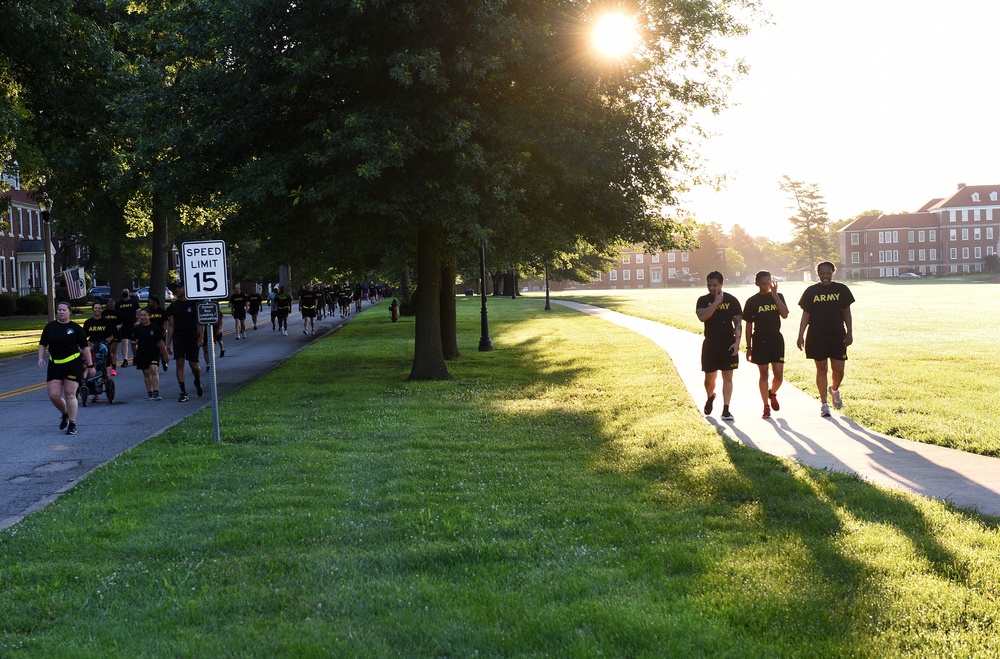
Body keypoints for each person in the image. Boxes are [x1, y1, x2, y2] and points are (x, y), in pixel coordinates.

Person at [797, 261, 856, 417]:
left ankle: (834, 390)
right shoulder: (811, 291)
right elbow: (805, 315)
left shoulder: (841, 290)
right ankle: (824, 404)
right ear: (818, 274)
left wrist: (849, 332)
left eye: (828, 273)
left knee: (839, 370)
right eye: (822, 273)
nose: (825, 276)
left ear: (833, 272)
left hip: (837, 334)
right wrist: (800, 335)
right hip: (817, 335)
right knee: (821, 368)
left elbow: (847, 313)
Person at [38, 301, 95, 435]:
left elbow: (85, 348)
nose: (61, 312)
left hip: (72, 363)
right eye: (59, 310)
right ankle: (65, 413)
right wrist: (40, 358)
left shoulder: (76, 328)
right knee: (54, 395)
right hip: (55, 363)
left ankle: (72, 423)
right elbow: (42, 344)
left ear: (70, 312)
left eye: (64, 310)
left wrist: (90, 365)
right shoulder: (50, 327)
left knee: (70, 394)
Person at [695, 271, 742, 421]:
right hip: (710, 343)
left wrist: (737, 342)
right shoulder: (703, 300)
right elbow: (702, 317)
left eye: (715, 285)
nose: (711, 288)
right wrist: (716, 302)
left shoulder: (732, 300)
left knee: (727, 376)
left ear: (721, 284)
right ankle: (710, 397)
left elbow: (738, 323)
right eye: (709, 285)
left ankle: (726, 409)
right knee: (709, 379)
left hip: (728, 343)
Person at [743, 271, 789, 419]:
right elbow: (748, 326)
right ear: (757, 283)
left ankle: (772, 393)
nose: (767, 286)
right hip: (760, 340)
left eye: (769, 282)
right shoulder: (752, 301)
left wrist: (775, 295)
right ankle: (765, 406)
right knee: (764, 374)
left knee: (779, 376)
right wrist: (748, 347)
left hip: (776, 339)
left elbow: (785, 314)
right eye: (764, 283)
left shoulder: (778, 296)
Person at [166, 283, 205, 402]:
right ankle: (183, 392)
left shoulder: (194, 304)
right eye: (177, 288)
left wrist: (201, 337)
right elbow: (171, 325)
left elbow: (200, 322)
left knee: (194, 365)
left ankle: (197, 380)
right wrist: (168, 343)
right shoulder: (173, 306)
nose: (178, 290)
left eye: (180, 288)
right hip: (179, 338)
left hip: (192, 337)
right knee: (180, 362)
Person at [130, 308, 170, 400]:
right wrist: (134, 344)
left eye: (145, 315)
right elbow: (134, 340)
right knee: (146, 372)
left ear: (149, 316)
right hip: (142, 353)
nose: (143, 317)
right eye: (141, 315)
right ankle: (150, 392)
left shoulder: (154, 327)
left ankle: (156, 392)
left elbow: (160, 342)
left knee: (153, 369)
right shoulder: (138, 328)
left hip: (153, 352)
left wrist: (165, 355)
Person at [83, 301, 116, 403]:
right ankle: (93, 392)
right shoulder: (88, 322)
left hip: (103, 347)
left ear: (101, 309)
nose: (97, 310)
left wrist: (108, 340)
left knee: (103, 370)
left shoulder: (106, 322)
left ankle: (107, 383)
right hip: (92, 347)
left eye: (99, 308)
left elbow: (112, 335)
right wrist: (86, 343)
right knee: (90, 366)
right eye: (95, 308)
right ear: (93, 310)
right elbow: (84, 336)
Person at [116, 288, 140, 367]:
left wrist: (138, 321)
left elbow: (138, 312)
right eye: (123, 292)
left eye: (126, 292)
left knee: (133, 343)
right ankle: (125, 360)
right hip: (123, 325)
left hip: (132, 325)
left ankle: (135, 358)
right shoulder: (119, 303)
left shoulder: (134, 302)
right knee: (124, 342)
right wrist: (118, 323)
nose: (125, 293)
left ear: (129, 293)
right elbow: (116, 315)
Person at [102, 297, 120, 376]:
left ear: (114, 303)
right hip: (106, 333)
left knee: (114, 351)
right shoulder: (104, 313)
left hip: (115, 333)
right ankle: (107, 367)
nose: (110, 303)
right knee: (108, 351)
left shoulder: (118, 313)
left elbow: (121, 323)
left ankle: (114, 368)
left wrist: (119, 325)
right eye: (109, 302)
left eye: (112, 302)